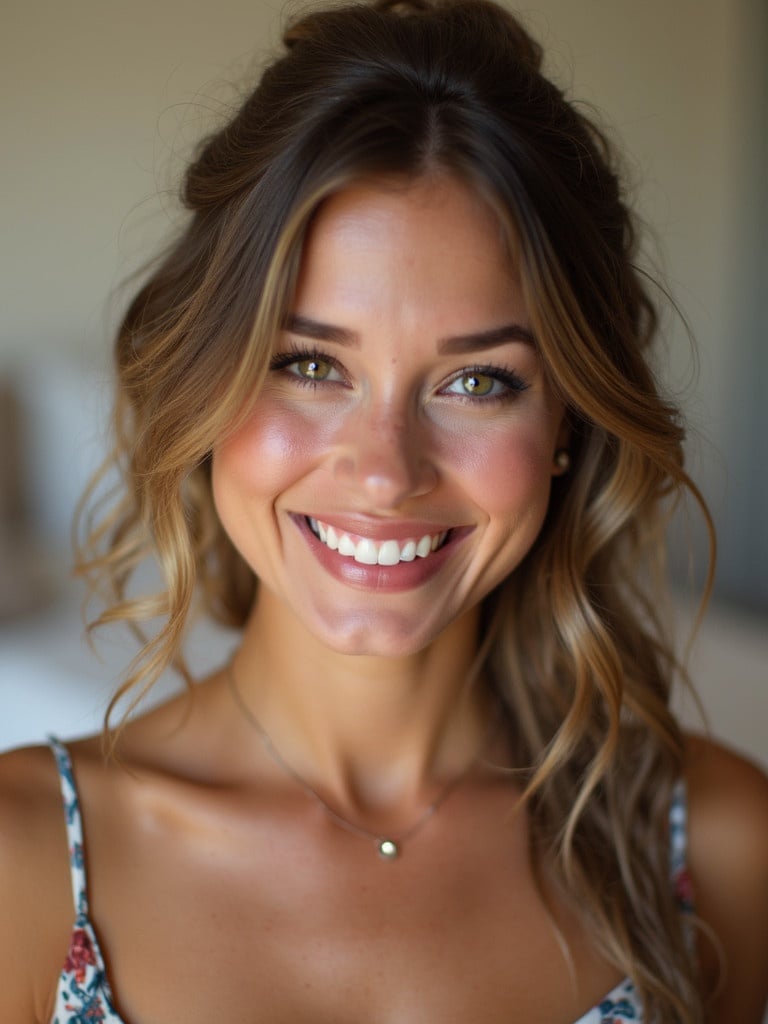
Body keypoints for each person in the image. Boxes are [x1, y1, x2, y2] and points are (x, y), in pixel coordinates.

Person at [2, 1, 767, 1021]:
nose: (384, 470)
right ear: (205, 384)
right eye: (310, 365)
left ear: (572, 423)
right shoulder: (26, 866)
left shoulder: (718, 846)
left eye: (478, 382)